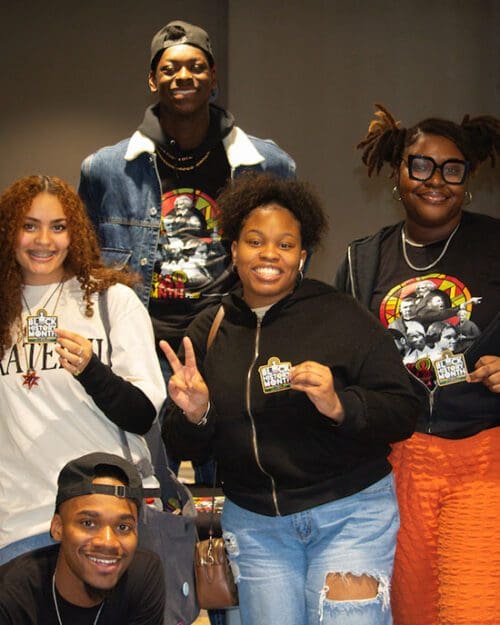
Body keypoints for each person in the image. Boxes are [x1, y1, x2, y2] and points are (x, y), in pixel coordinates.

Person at [161, 173, 420, 625]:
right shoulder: (209, 330)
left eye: (285, 245)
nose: (269, 255)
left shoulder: (340, 315)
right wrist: (196, 415)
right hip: (257, 526)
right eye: (255, 241)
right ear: (234, 249)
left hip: (350, 516)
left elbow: (403, 408)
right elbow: (182, 447)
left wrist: (341, 404)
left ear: (302, 255)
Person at [78, 19, 295, 485]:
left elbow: (293, 253)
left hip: (227, 339)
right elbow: (84, 262)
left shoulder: (267, 165)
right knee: (147, 483)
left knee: (238, 475)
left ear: (213, 78)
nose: (184, 76)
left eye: (197, 66)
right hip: (142, 344)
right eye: (170, 67)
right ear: (153, 80)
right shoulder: (107, 170)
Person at [334, 104, 500, 625]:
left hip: (482, 457)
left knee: (471, 609)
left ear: (467, 178)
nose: (436, 180)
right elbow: (342, 360)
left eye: (452, 168)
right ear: (398, 174)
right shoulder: (363, 260)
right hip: (395, 462)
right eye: (420, 165)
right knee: (412, 612)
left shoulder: (495, 245)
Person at [0, 175, 165, 565]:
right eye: (29, 226)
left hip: (108, 520)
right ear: (9, 232)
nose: (44, 241)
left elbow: (142, 415)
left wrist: (92, 370)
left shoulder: (111, 300)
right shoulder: (3, 311)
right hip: (20, 528)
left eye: (58, 227)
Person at [0, 452, 165, 624]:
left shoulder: (142, 576)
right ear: (58, 527)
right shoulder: (10, 599)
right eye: (88, 523)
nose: (108, 542)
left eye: (123, 527)